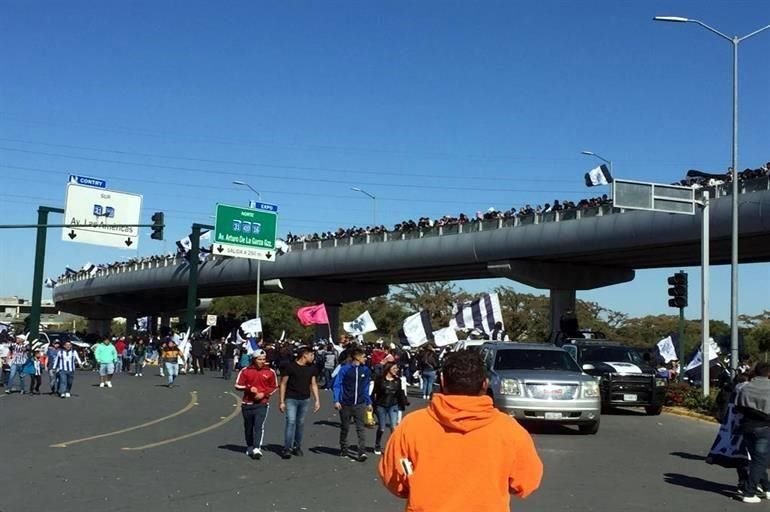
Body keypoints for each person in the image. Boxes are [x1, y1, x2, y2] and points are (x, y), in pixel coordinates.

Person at [378, 350, 543, 512]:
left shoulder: (412, 425)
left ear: (442, 381)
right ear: (485, 383)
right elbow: (526, 482)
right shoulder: (509, 430)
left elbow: (394, 479)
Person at [234, 349, 278, 460]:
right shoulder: (245, 371)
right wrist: (249, 388)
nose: (262, 361)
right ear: (254, 359)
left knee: (258, 426)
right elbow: (238, 385)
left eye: (264, 359)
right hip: (247, 404)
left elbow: (274, 387)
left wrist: (264, 394)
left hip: (262, 404)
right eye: (259, 359)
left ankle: (257, 448)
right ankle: (249, 446)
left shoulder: (270, 372)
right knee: (248, 427)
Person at [736, 362, 770, 503]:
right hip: (764, 427)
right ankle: (749, 492)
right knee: (760, 460)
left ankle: (767, 488)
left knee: (757, 459)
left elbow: (739, 407)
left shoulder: (745, 387)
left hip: (747, 426)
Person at [278, 346, 321, 459]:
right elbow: (283, 383)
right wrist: (281, 401)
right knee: (291, 422)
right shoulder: (290, 367)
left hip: (305, 399)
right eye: (311, 355)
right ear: (304, 355)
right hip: (291, 398)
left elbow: (313, 384)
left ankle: (297, 447)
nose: (313, 357)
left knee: (300, 423)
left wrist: (317, 400)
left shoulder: (312, 368)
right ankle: (287, 448)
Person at [333, 348, 373, 462]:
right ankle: (344, 448)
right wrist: (336, 400)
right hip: (345, 403)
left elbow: (365, 388)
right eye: (364, 356)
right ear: (357, 357)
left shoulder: (365, 370)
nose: (366, 359)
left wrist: (368, 402)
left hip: (360, 404)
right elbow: (337, 384)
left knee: (360, 428)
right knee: (345, 427)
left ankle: (362, 452)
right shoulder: (345, 369)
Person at [371, 362, 408, 455]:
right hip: (381, 405)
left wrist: (403, 402)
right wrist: (371, 405)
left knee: (393, 427)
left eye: (397, 368)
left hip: (393, 405)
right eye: (395, 368)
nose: (397, 370)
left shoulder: (397, 380)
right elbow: (375, 392)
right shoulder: (380, 379)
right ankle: (377, 445)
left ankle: (393, 447)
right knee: (382, 427)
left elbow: (400, 393)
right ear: (389, 369)